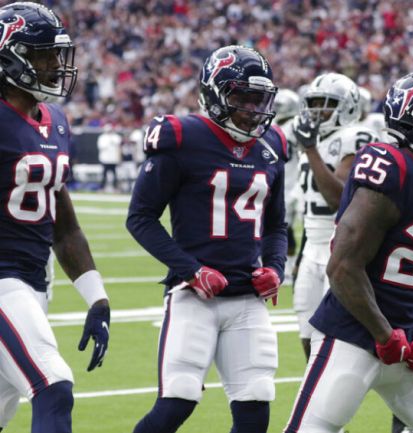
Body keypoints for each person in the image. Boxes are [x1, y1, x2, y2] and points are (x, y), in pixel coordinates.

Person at [284, 70, 413, 433]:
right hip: (355, 334)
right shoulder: (389, 168)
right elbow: (342, 267)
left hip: (404, 340)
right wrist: (384, 335)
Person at [126, 45, 287, 433]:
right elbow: (140, 218)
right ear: (215, 94)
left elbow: (276, 226)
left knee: (255, 408)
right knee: (177, 401)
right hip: (193, 295)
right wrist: (191, 269)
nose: (252, 108)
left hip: (247, 298)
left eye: (259, 99)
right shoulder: (182, 136)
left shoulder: (272, 146)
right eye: (241, 97)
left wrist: (275, 268)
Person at [0, 3, 110, 433]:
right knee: (54, 384)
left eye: (55, 54)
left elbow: (64, 225)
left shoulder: (57, 123)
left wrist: (96, 297)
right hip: (3, 279)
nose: (54, 65)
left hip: (33, 283)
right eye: (43, 54)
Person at [292, 72, 380, 360]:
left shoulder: (355, 135)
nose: (317, 111)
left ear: (348, 107)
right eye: (313, 103)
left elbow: (337, 199)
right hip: (312, 250)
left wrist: (311, 150)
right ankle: (315, 398)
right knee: (306, 334)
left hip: (340, 249)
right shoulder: (315, 141)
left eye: (326, 103)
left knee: (341, 341)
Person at [273, 88, 302, 286]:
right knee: (283, 227)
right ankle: (289, 264)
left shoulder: (296, 125)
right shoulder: (273, 125)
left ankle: (298, 264)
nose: (275, 110)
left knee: (306, 226)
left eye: (279, 106)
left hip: (298, 181)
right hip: (283, 181)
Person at [97, 123, 122, 192]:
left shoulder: (116, 137)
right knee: (104, 174)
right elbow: (101, 147)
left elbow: (119, 148)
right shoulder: (102, 137)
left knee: (115, 174)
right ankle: (102, 188)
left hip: (114, 159)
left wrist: (119, 158)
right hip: (105, 159)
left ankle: (115, 188)